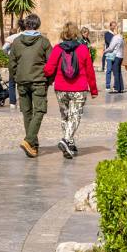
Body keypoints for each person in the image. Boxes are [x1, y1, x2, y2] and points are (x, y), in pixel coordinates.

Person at [43, 23, 98, 157]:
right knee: (75, 116)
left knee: (65, 116)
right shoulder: (83, 49)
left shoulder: (57, 49)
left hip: (61, 88)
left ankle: (70, 144)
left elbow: (49, 69)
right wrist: (94, 89)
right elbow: (90, 71)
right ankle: (66, 140)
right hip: (79, 88)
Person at [7, 14, 53, 158]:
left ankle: (33, 145)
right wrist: (49, 80)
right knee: (39, 111)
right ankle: (28, 140)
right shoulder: (44, 42)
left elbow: (11, 63)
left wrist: (16, 77)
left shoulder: (16, 42)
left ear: (26, 25)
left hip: (22, 81)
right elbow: (51, 64)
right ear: (38, 25)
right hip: (38, 80)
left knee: (27, 113)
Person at [101, 21, 125, 94]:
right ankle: (108, 86)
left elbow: (111, 47)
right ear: (110, 26)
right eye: (113, 26)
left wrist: (105, 51)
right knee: (109, 70)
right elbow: (108, 42)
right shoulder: (108, 34)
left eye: (115, 26)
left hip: (114, 54)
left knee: (116, 71)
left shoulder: (116, 37)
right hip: (111, 55)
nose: (114, 27)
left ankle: (116, 87)